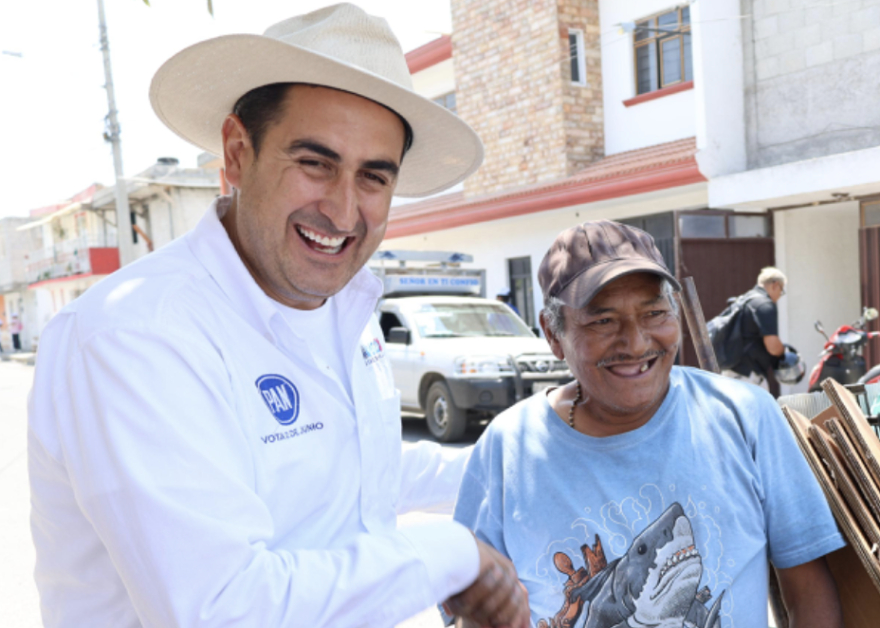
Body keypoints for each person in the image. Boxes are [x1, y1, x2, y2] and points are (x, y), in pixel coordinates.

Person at [27, 5, 529, 628]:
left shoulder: (343, 307)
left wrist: (522, 459)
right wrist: (453, 555)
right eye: (315, 163)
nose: (343, 212)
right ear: (237, 153)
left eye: (373, 176)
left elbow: (359, 465)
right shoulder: (135, 335)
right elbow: (224, 608)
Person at [452, 220, 844, 628]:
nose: (636, 343)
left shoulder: (746, 417)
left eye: (654, 312)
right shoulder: (507, 446)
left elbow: (809, 588)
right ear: (553, 333)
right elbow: (475, 613)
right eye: (602, 321)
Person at [724, 267, 788, 394]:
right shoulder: (764, 304)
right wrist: (784, 351)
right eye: (781, 290)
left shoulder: (744, 300)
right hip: (749, 379)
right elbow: (773, 346)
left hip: (731, 374)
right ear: (775, 285)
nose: (780, 295)